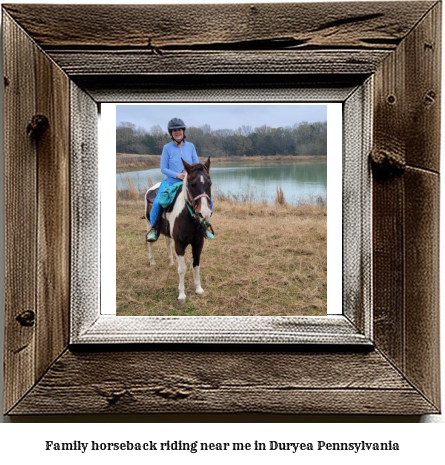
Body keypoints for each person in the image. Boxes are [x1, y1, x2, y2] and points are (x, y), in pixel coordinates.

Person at [146, 117, 214, 241]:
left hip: (188, 182)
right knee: (157, 202)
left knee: (208, 200)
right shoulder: (167, 148)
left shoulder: (191, 146)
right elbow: (163, 168)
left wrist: (190, 172)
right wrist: (177, 175)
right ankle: (154, 229)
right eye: (174, 131)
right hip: (171, 182)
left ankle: (205, 225)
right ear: (171, 134)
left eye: (180, 130)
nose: (177, 132)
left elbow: (196, 164)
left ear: (183, 131)